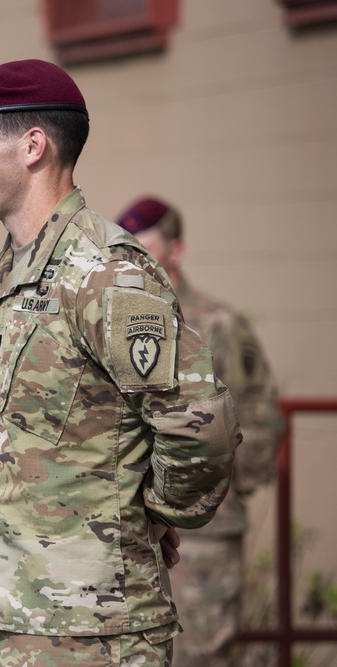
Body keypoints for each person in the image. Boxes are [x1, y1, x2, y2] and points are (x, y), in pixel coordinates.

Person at [0, 59, 241, 665]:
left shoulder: (105, 272)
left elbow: (198, 424)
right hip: (6, 617)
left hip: (92, 631)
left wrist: (154, 516)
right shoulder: (7, 275)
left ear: (33, 147)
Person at [116, 196, 284, 666]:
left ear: (176, 251)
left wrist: (225, 492)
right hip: (132, 526)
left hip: (203, 533)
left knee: (201, 654)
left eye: (145, 246)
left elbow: (261, 413)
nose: (134, 257)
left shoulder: (217, 322)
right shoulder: (114, 320)